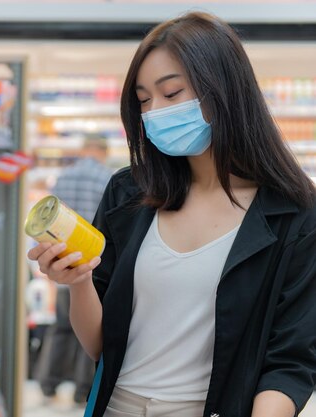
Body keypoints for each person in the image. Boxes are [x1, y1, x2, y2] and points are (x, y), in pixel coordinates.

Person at [28, 12, 316, 417]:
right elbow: (100, 346)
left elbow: (291, 360)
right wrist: (77, 282)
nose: (154, 112)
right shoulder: (129, 192)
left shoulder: (295, 213)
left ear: (224, 90)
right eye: (144, 100)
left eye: (172, 93)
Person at [35, 139, 112, 403]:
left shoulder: (64, 177)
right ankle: (81, 392)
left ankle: (48, 386)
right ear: (102, 152)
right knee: (89, 330)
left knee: (60, 328)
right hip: (92, 265)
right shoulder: (107, 177)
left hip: (61, 264)